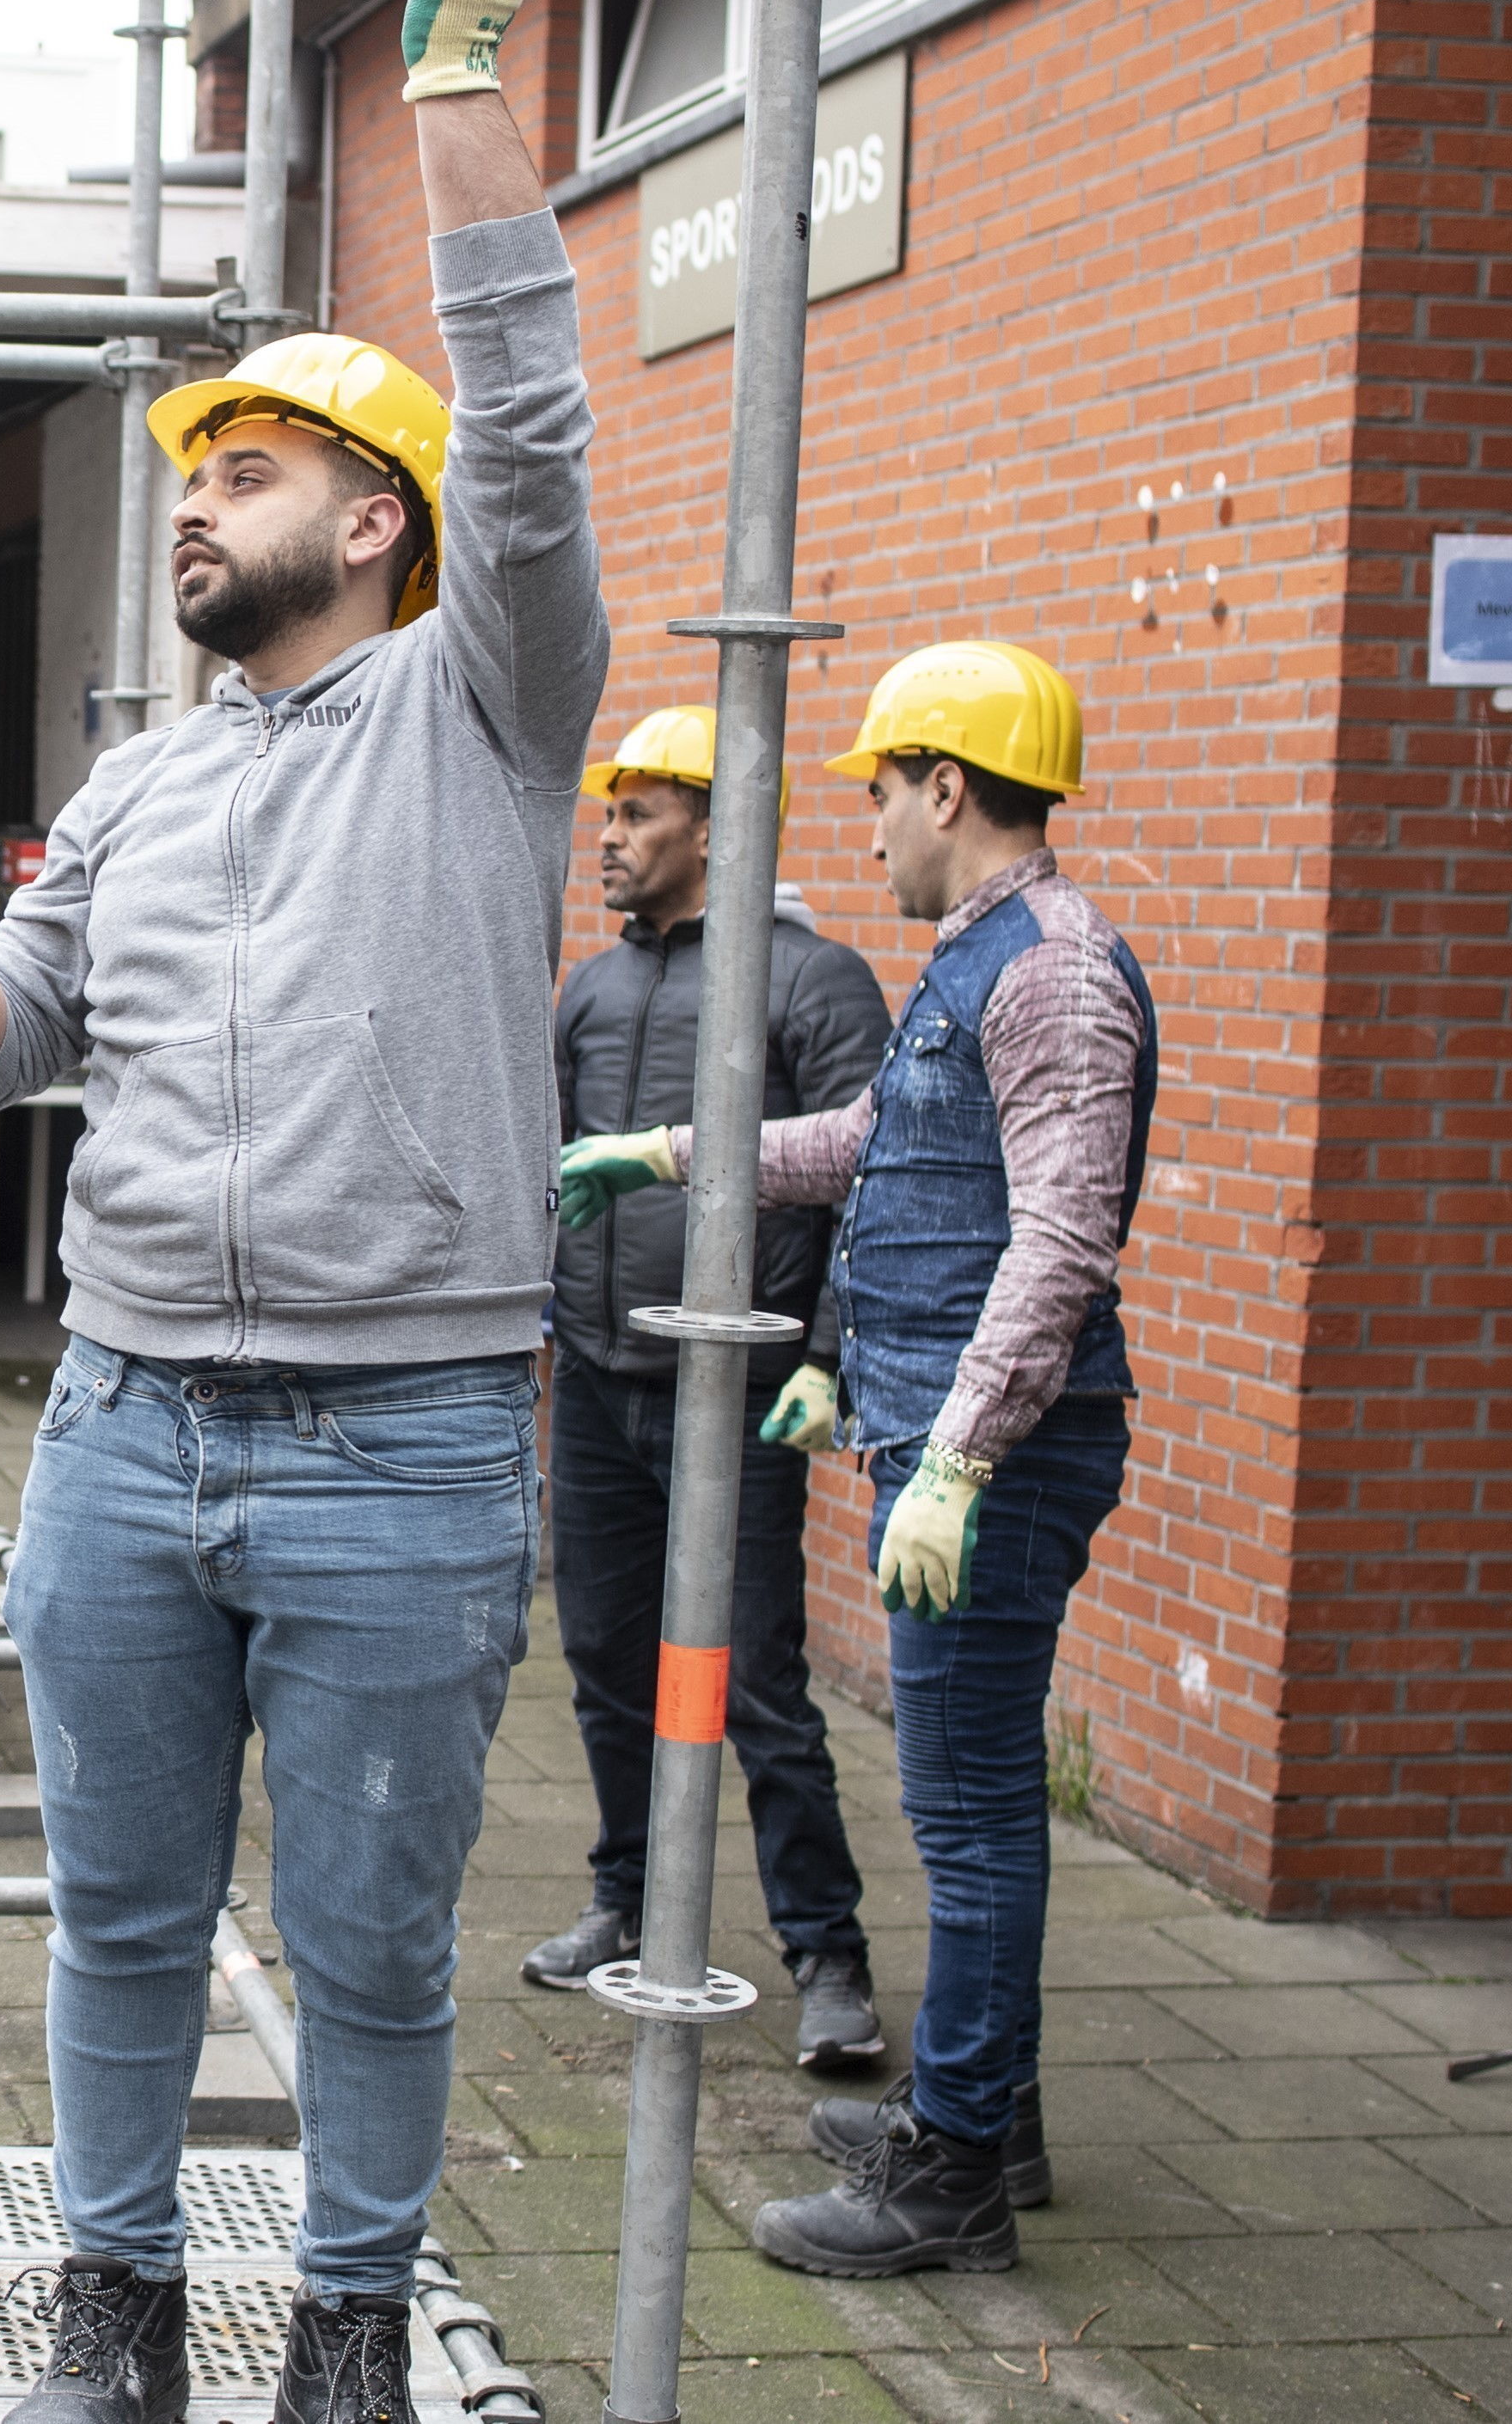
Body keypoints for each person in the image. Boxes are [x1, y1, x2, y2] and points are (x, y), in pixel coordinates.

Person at [0, 0, 606, 2424]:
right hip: (117, 1427)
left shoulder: (485, 714)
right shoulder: (142, 787)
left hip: (401, 1440)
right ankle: (113, 2306)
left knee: (380, 1941)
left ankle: (342, 2322)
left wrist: (452, 82)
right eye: (191, 472)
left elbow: (524, 427)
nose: (194, 498)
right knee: (117, 1917)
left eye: (252, 467)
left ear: (372, 525)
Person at [557, 639, 1158, 2280]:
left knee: (965, 1820)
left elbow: (1057, 1240)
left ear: (945, 787)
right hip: (936, 1429)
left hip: (997, 1460)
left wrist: (956, 1456)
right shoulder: (981, 955)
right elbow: (876, 1150)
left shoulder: (1049, 973)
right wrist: (668, 1152)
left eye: (882, 790)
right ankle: (994, 2108)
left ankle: (950, 2165)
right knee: (966, 1810)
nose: (871, 825)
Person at [527, 705, 893, 2072]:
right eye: (606, 814)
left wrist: (826, 1355)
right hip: (601, 1381)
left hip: (734, 1391)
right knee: (606, 1667)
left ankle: (828, 1953)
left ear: (715, 824)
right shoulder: (591, 990)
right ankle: (625, 1902)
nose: (607, 841)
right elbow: (555, 1174)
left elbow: (873, 1184)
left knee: (758, 1684)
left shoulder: (814, 983)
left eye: (635, 815)